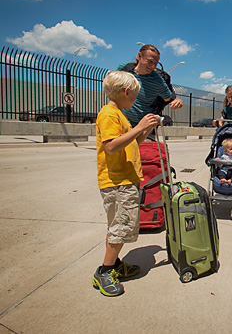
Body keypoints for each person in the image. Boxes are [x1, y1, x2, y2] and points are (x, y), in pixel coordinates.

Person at [93, 70, 160, 297]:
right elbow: (111, 146)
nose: (135, 101)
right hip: (117, 182)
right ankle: (104, 271)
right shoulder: (109, 114)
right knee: (120, 228)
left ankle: (116, 264)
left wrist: (143, 130)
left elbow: (129, 142)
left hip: (125, 180)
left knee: (119, 226)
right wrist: (139, 127)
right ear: (126, 91)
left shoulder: (119, 114)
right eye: (134, 96)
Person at [119, 44, 183, 127]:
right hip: (121, 122)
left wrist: (177, 101)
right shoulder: (124, 69)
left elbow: (169, 99)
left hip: (143, 128)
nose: (152, 66)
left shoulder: (157, 81)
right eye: (150, 61)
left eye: (156, 63)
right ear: (139, 56)